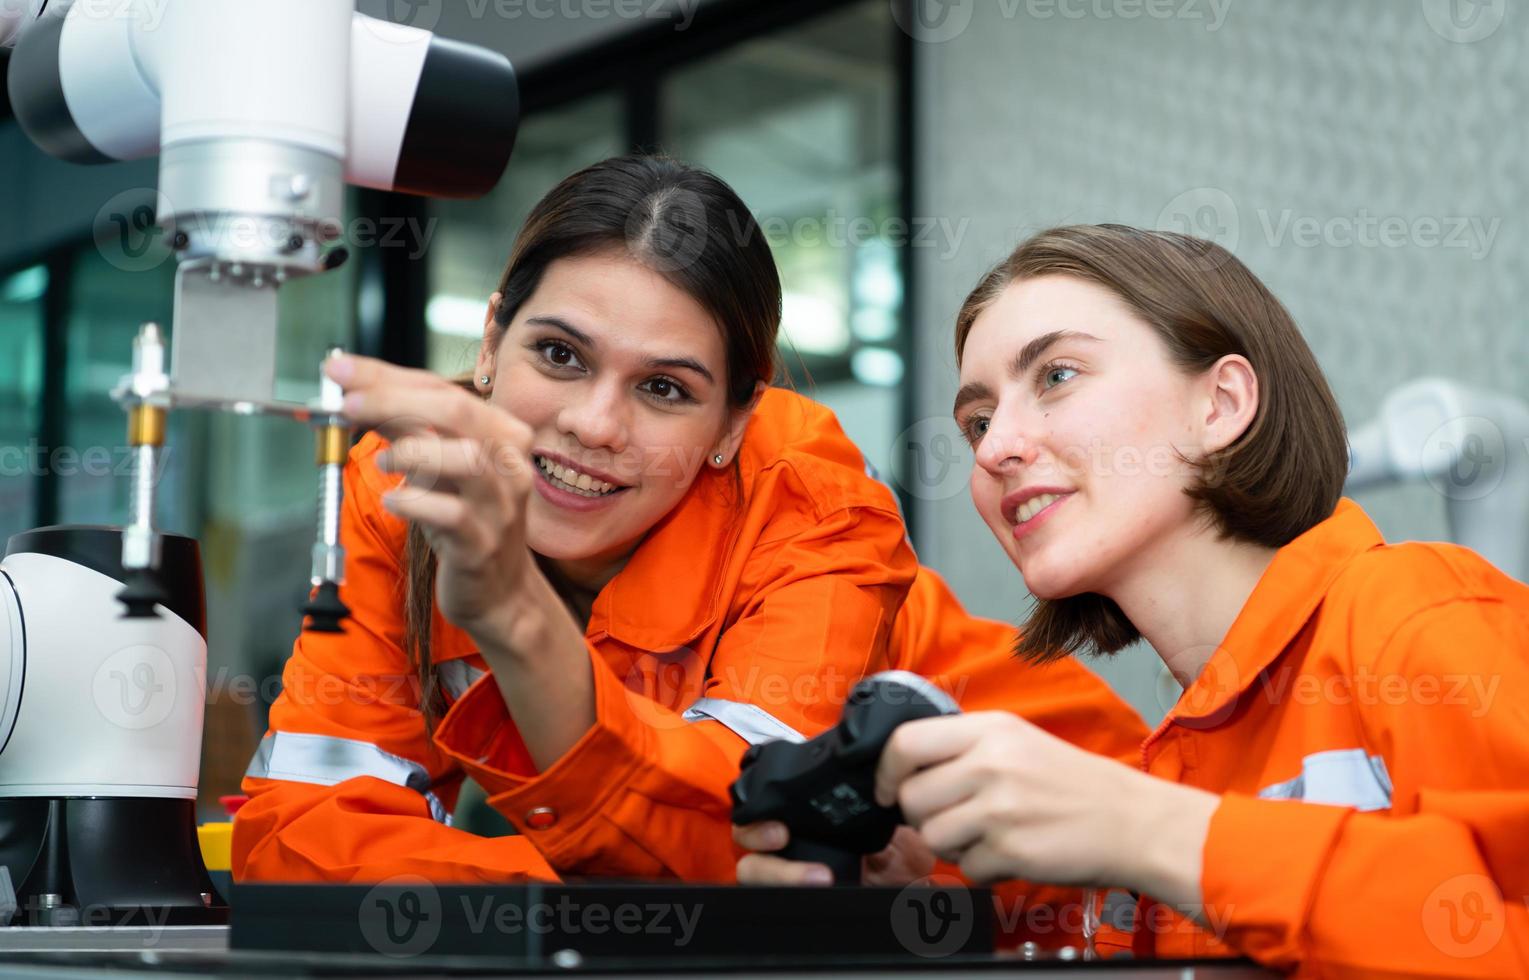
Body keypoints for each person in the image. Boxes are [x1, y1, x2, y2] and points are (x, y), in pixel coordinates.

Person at [231, 159, 1146, 886]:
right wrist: (560, 902)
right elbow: (303, 832)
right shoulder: (404, 488)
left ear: (734, 423)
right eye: (557, 354)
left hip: (1095, 882)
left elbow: (729, 829)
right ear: (489, 341)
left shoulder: (813, 506)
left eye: (664, 389)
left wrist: (597, 889)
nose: (594, 425)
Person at [738, 224, 1529, 976]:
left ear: (1219, 405)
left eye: (1056, 375)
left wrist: (1152, 830)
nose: (995, 448)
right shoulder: (1175, 764)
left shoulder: (1416, 609)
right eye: (977, 421)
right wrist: (912, 914)